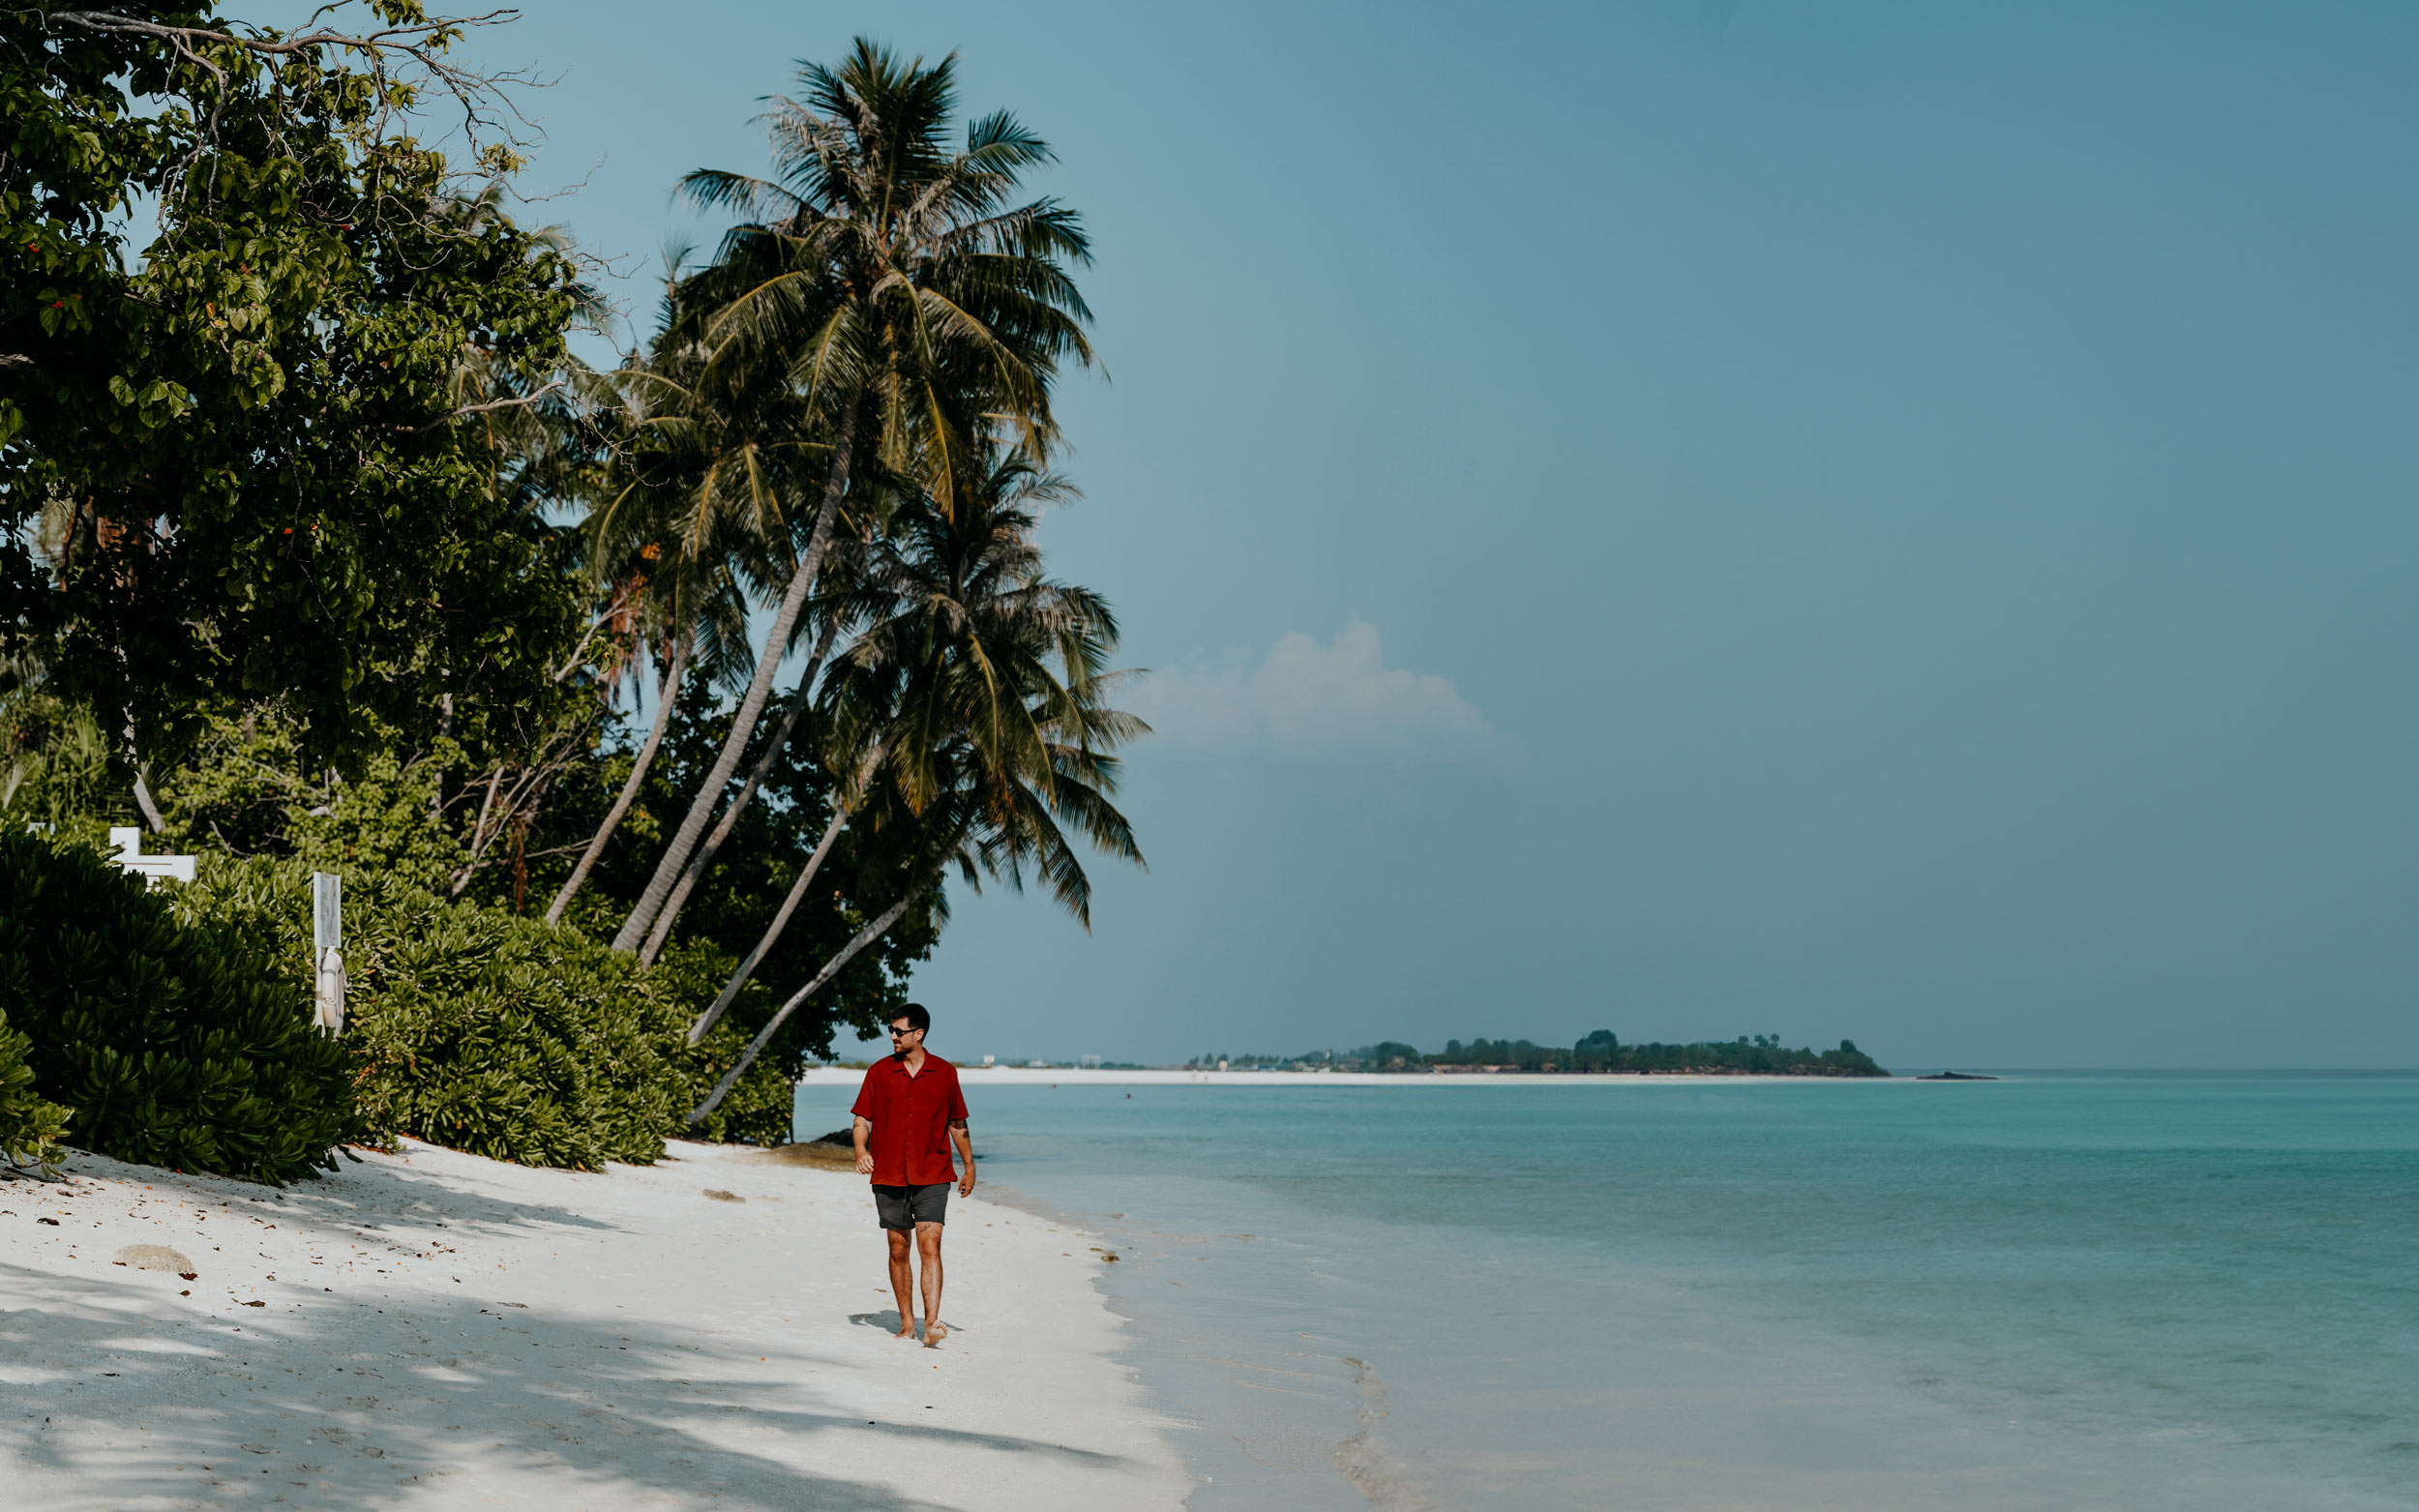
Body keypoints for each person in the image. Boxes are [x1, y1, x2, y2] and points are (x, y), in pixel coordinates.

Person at [851, 1002, 974, 1345]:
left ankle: (931, 1323)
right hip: (888, 1173)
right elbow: (862, 1119)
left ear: (918, 1034)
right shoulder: (878, 1072)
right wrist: (861, 1150)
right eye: (891, 1030)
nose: (892, 1036)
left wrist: (969, 1166)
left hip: (933, 1172)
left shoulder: (946, 1073)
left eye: (899, 1031)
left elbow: (958, 1124)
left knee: (929, 1245)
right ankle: (907, 1323)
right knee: (898, 1248)